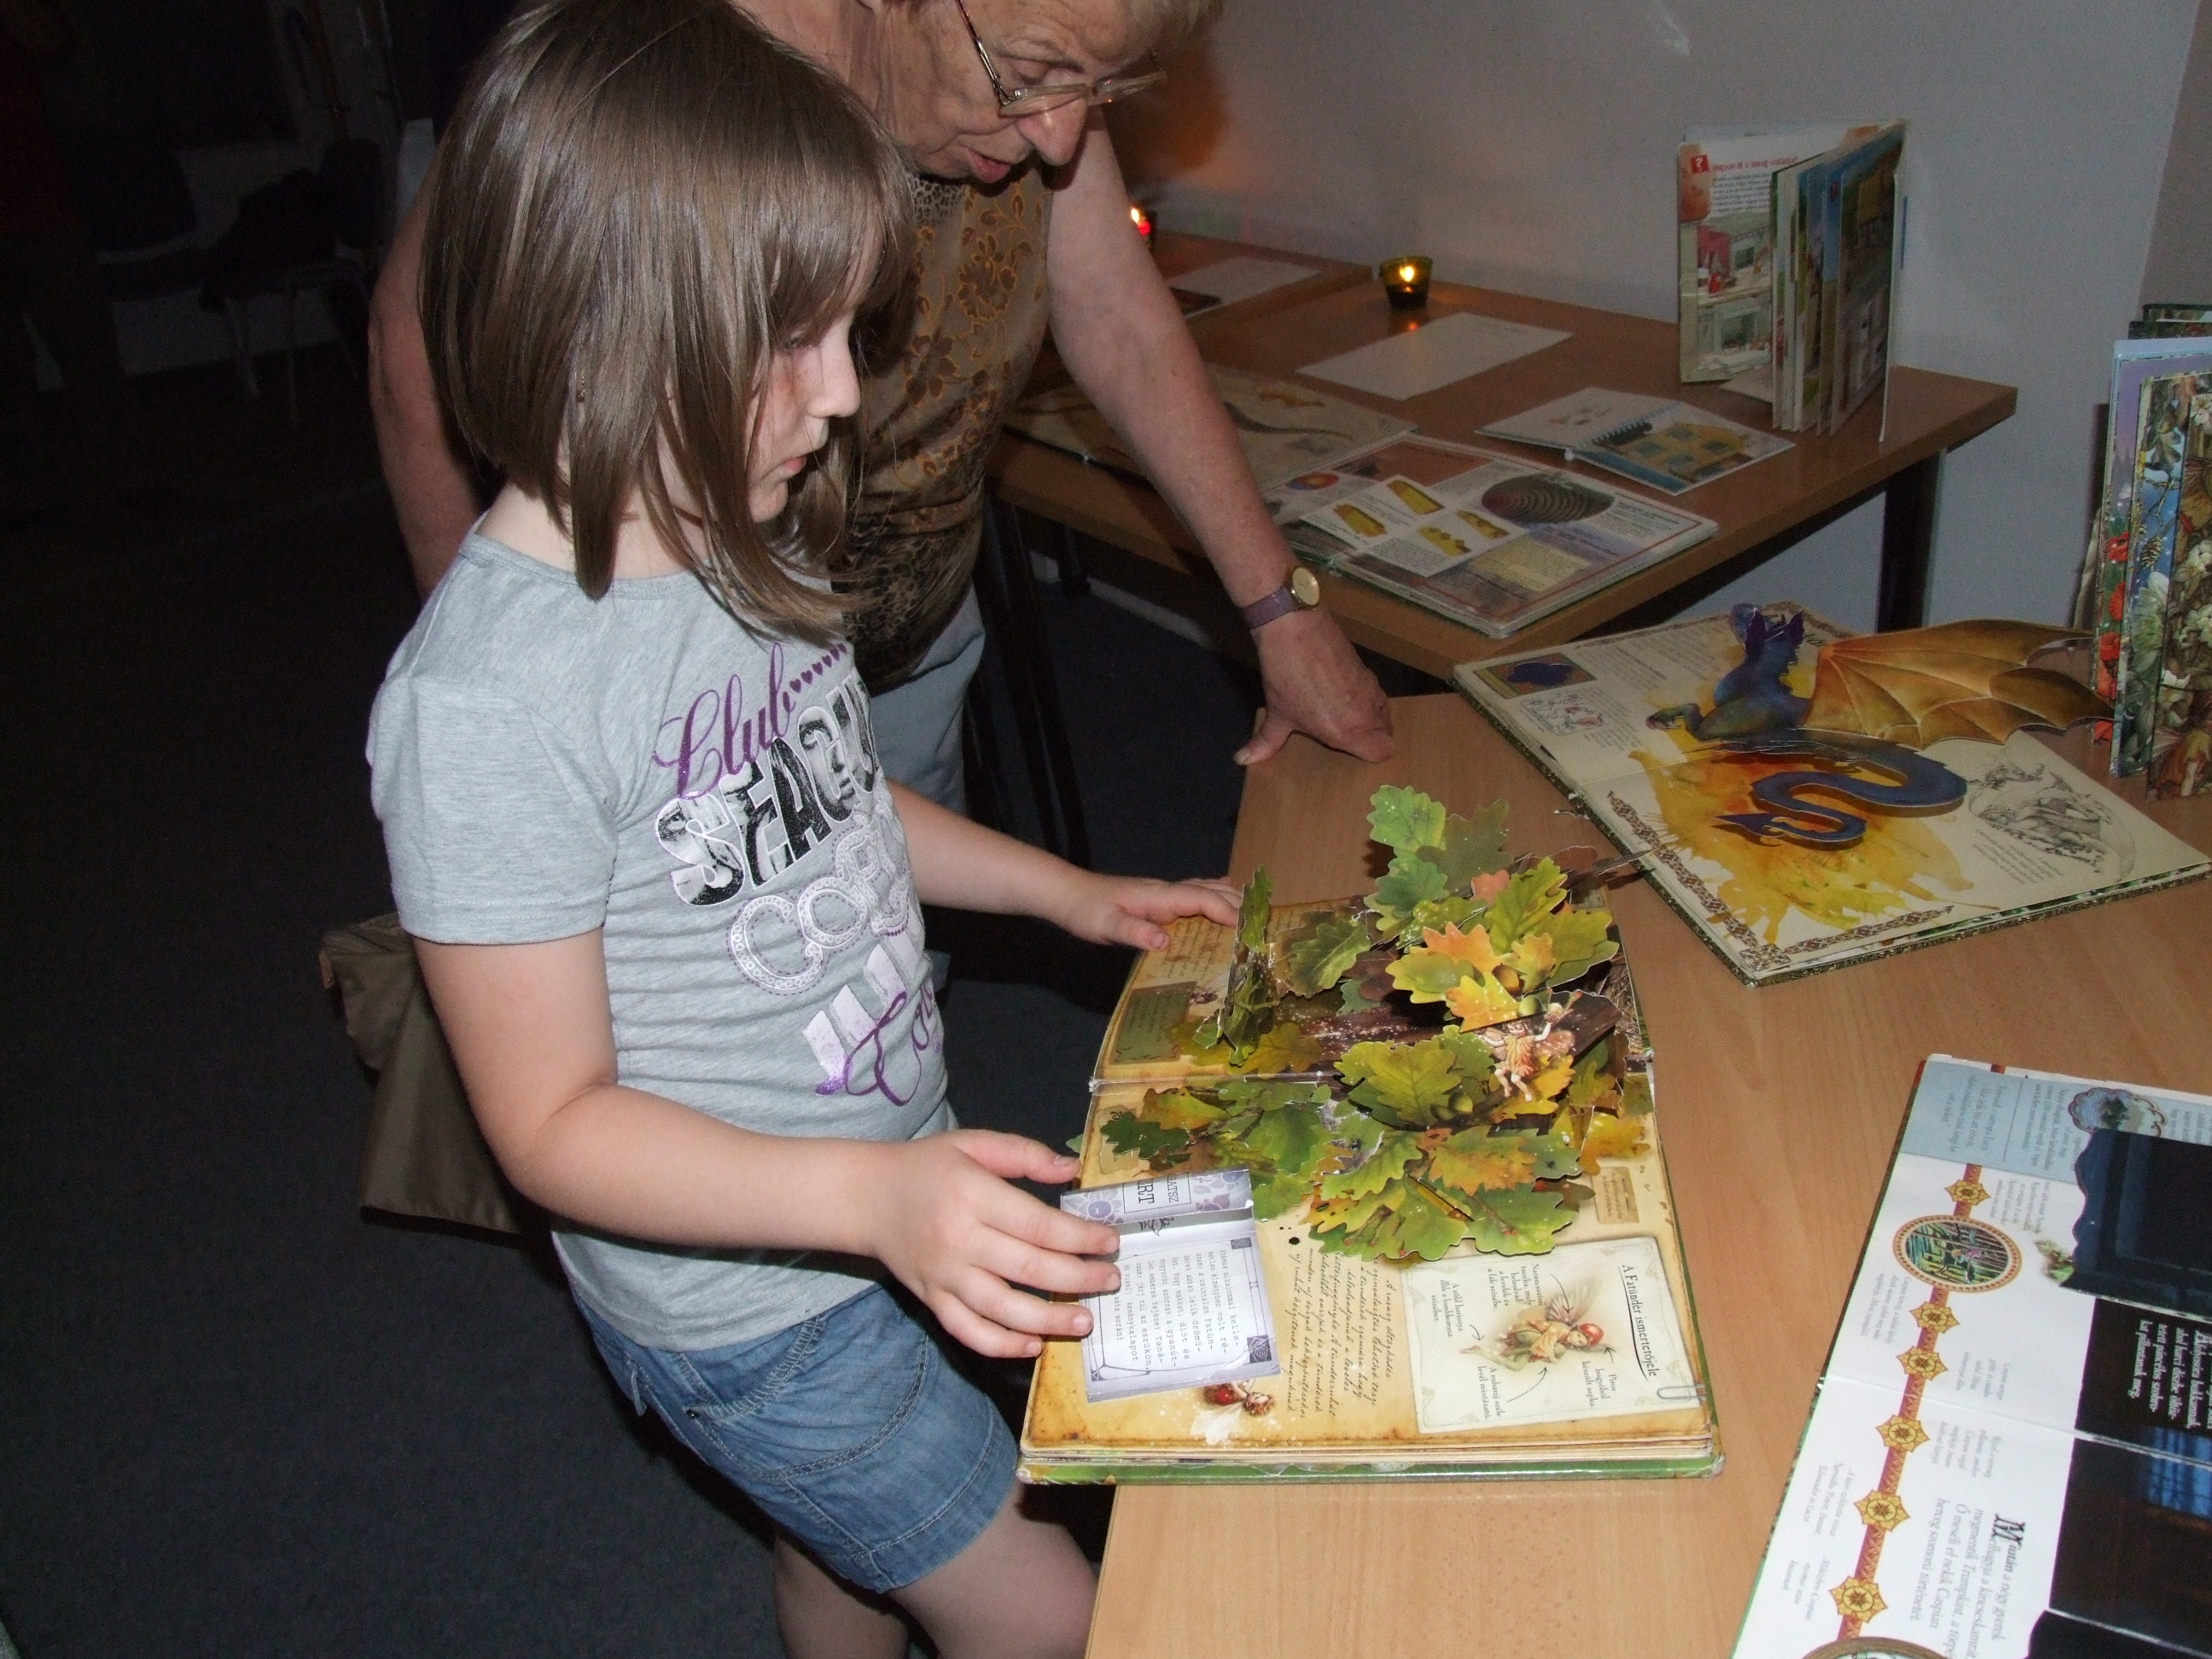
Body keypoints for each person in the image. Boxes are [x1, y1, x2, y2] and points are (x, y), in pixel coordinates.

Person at [367, 5, 1240, 1653]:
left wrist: (1065, 891)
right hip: (748, 1305)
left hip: (862, 1187)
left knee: (842, 1556)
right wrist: (869, 1202)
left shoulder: (734, 535)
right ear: (605, 318)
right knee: (1052, 1614)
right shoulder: (486, 704)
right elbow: (547, 1122)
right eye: (796, 341)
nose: (841, 395)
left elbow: (834, 800)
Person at [368, 0, 1394, 806]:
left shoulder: (1034, 59)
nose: (1058, 141)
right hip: (682, 689)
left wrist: (1279, 609)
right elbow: (415, 344)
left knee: (881, 963)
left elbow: (1119, 319)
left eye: (1095, 89)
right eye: (1031, 73)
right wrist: (515, 692)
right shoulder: (670, 54)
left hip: (902, 636)